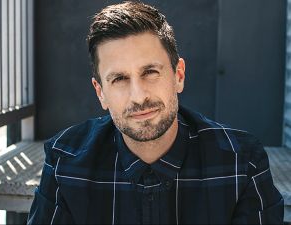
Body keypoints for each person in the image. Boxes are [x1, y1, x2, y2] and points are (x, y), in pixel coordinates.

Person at [27, 1, 284, 224]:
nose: (139, 97)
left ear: (178, 75)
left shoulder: (241, 162)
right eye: (119, 79)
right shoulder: (65, 161)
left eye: (150, 72)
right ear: (100, 92)